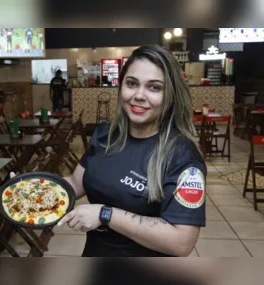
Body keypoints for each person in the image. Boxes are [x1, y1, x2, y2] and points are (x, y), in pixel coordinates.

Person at [58, 45, 207, 257]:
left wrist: (105, 214)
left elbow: (181, 242)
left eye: (154, 87)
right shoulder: (105, 135)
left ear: (171, 96)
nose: (139, 95)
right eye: (131, 83)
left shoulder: (182, 156)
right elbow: (75, 183)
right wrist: (27, 190)